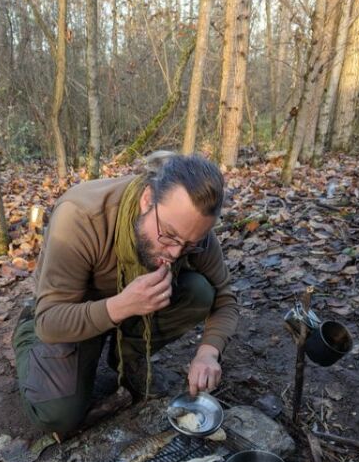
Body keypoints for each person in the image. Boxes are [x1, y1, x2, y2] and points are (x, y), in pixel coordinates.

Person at [12, 152, 239, 435]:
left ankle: (126, 357)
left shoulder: (191, 228)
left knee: (200, 291)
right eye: (168, 236)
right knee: (58, 416)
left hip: (130, 307)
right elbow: (49, 322)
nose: (175, 253)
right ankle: (27, 336)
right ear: (147, 200)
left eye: (189, 244)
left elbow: (225, 299)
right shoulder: (80, 216)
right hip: (71, 312)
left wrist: (208, 352)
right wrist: (122, 305)